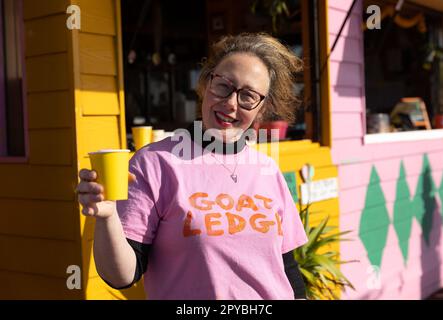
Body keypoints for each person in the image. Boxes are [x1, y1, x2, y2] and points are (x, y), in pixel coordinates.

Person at [76, 33, 308, 300]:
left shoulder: (267, 168)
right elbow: (121, 276)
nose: (231, 103)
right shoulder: (154, 164)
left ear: (262, 108)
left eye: (248, 96)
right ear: (205, 84)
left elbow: (287, 268)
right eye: (223, 85)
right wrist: (107, 216)